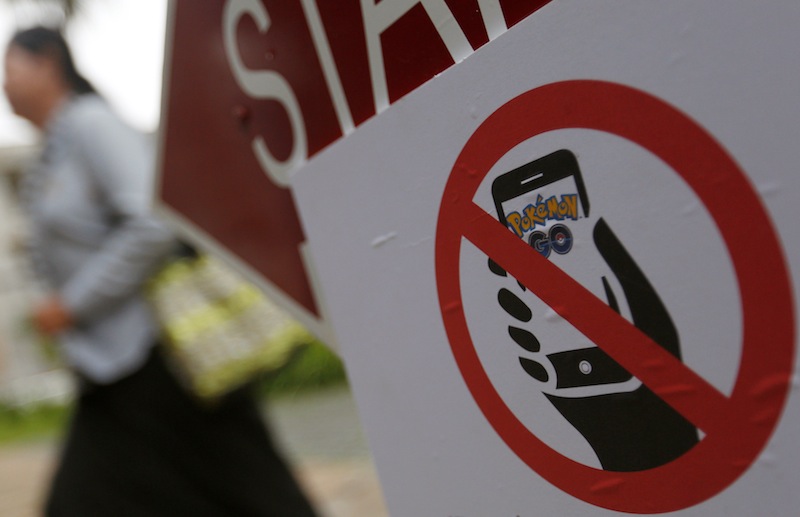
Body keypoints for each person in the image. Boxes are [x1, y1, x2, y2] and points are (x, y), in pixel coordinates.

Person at [3, 26, 318, 516]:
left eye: (11, 67)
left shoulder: (90, 125)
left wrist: (72, 304)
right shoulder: (52, 153)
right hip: (114, 374)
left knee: (257, 490)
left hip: (162, 358)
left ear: (48, 63)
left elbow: (153, 224)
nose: (4, 83)